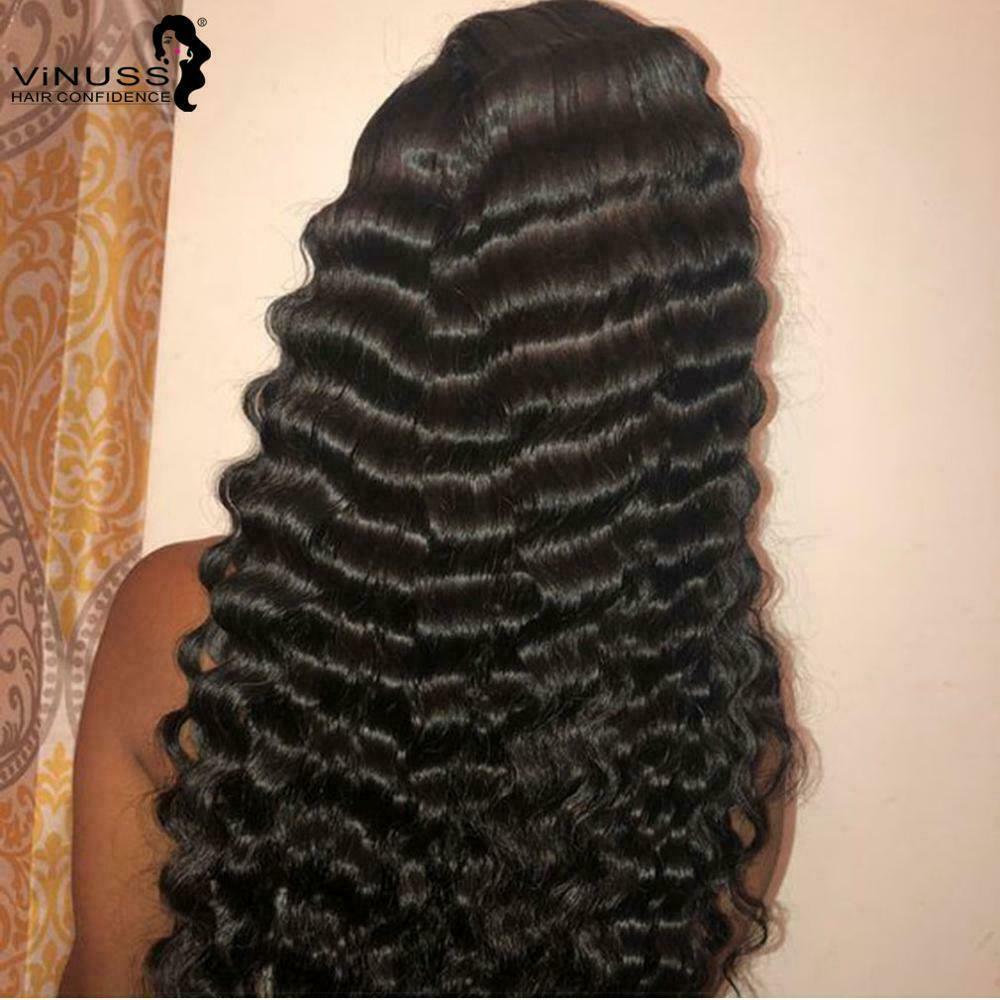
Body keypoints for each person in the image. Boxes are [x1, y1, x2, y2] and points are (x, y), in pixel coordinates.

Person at [59, 0, 805, 994]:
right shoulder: (711, 713)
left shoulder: (186, 624)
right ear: (695, 336)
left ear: (371, 288)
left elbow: (107, 981)